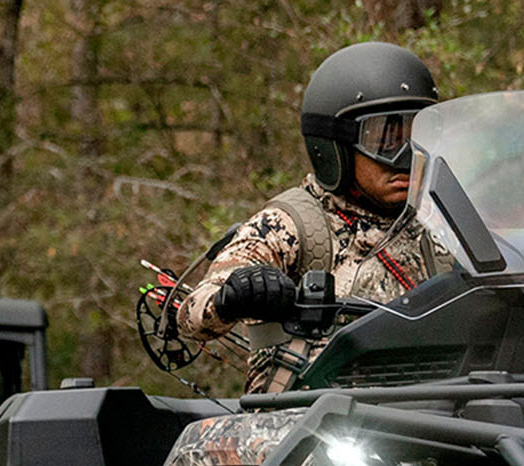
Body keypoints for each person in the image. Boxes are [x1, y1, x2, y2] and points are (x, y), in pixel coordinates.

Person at [179, 42, 444, 391]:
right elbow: (190, 315)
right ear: (335, 146)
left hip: (432, 412)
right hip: (308, 423)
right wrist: (236, 295)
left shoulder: (441, 223)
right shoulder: (293, 224)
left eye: (419, 136)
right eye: (385, 141)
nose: (407, 157)